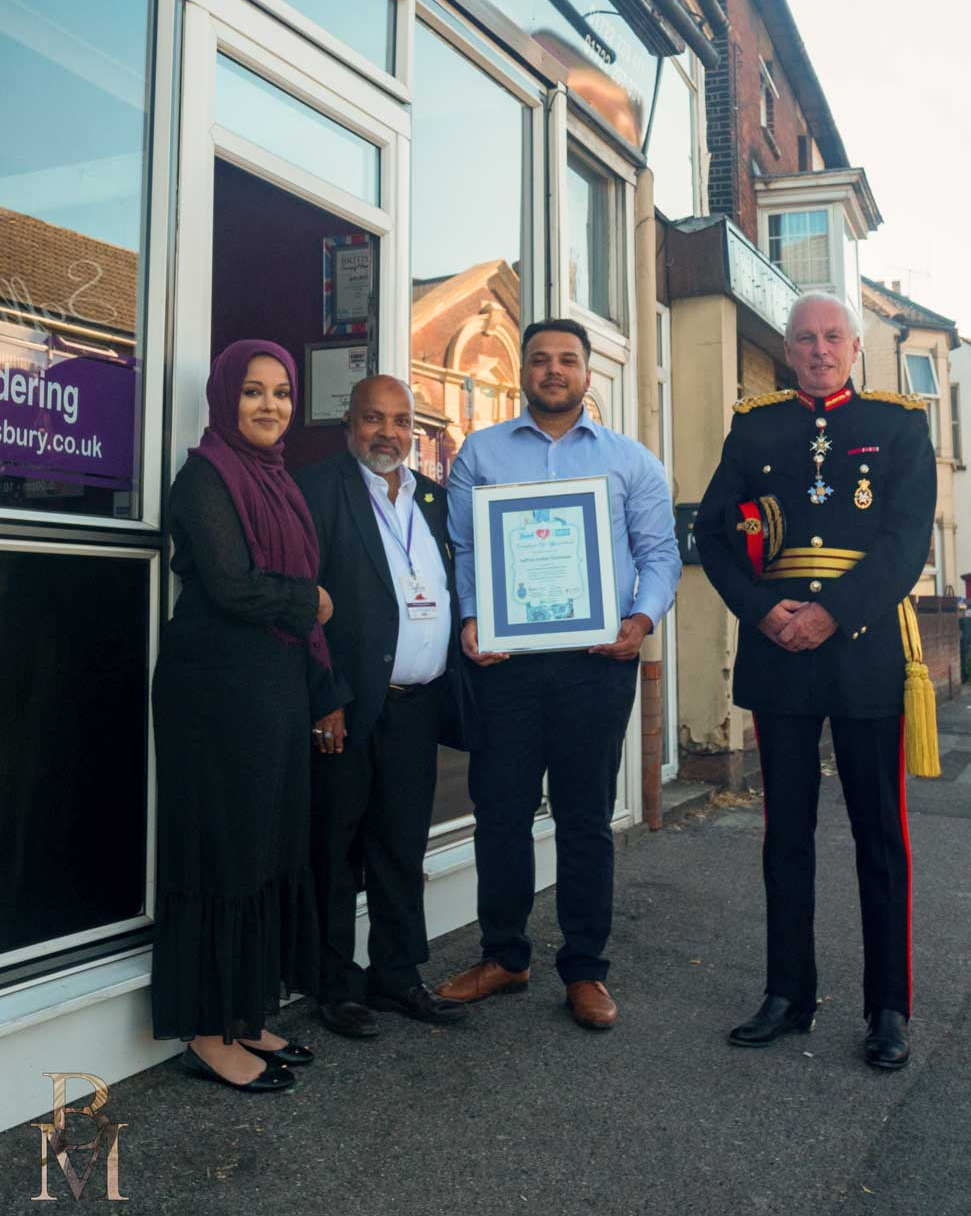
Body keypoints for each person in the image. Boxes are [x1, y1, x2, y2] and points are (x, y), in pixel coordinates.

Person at [693, 292, 938, 1070]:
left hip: (862, 646)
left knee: (880, 837)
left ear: (855, 347)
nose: (820, 349)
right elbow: (713, 533)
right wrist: (765, 612)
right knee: (785, 836)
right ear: (789, 349)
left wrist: (830, 614)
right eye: (806, 338)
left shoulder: (899, 424)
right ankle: (787, 993)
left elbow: (904, 544)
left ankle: (888, 1006)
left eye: (834, 337)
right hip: (779, 648)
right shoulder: (755, 425)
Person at [437, 319, 680, 1030]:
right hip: (505, 667)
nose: (552, 370)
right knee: (502, 813)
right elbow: (464, 550)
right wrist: (473, 619)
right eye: (539, 358)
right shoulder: (479, 452)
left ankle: (584, 969)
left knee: (584, 819)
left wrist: (640, 619)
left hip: (594, 665)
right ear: (523, 371)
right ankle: (504, 955)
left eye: (566, 359)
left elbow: (658, 552)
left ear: (586, 373)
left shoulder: (631, 461)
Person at [152, 341, 346, 1093]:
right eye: (253, 392)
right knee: (222, 851)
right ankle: (206, 1031)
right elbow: (233, 586)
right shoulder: (205, 475)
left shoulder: (278, 481)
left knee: (269, 847)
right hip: (215, 692)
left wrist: (320, 679)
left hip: (272, 687)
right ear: (225, 397)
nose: (269, 406)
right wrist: (312, 602)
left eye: (282, 393)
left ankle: (247, 1010)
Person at [296, 375, 471, 1037]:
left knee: (401, 844)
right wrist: (324, 695)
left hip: (417, 705)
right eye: (374, 418)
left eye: (401, 420)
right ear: (350, 423)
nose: (388, 432)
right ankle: (334, 983)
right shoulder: (318, 491)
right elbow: (300, 604)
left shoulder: (432, 498)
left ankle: (398, 974)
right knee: (336, 846)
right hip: (347, 703)